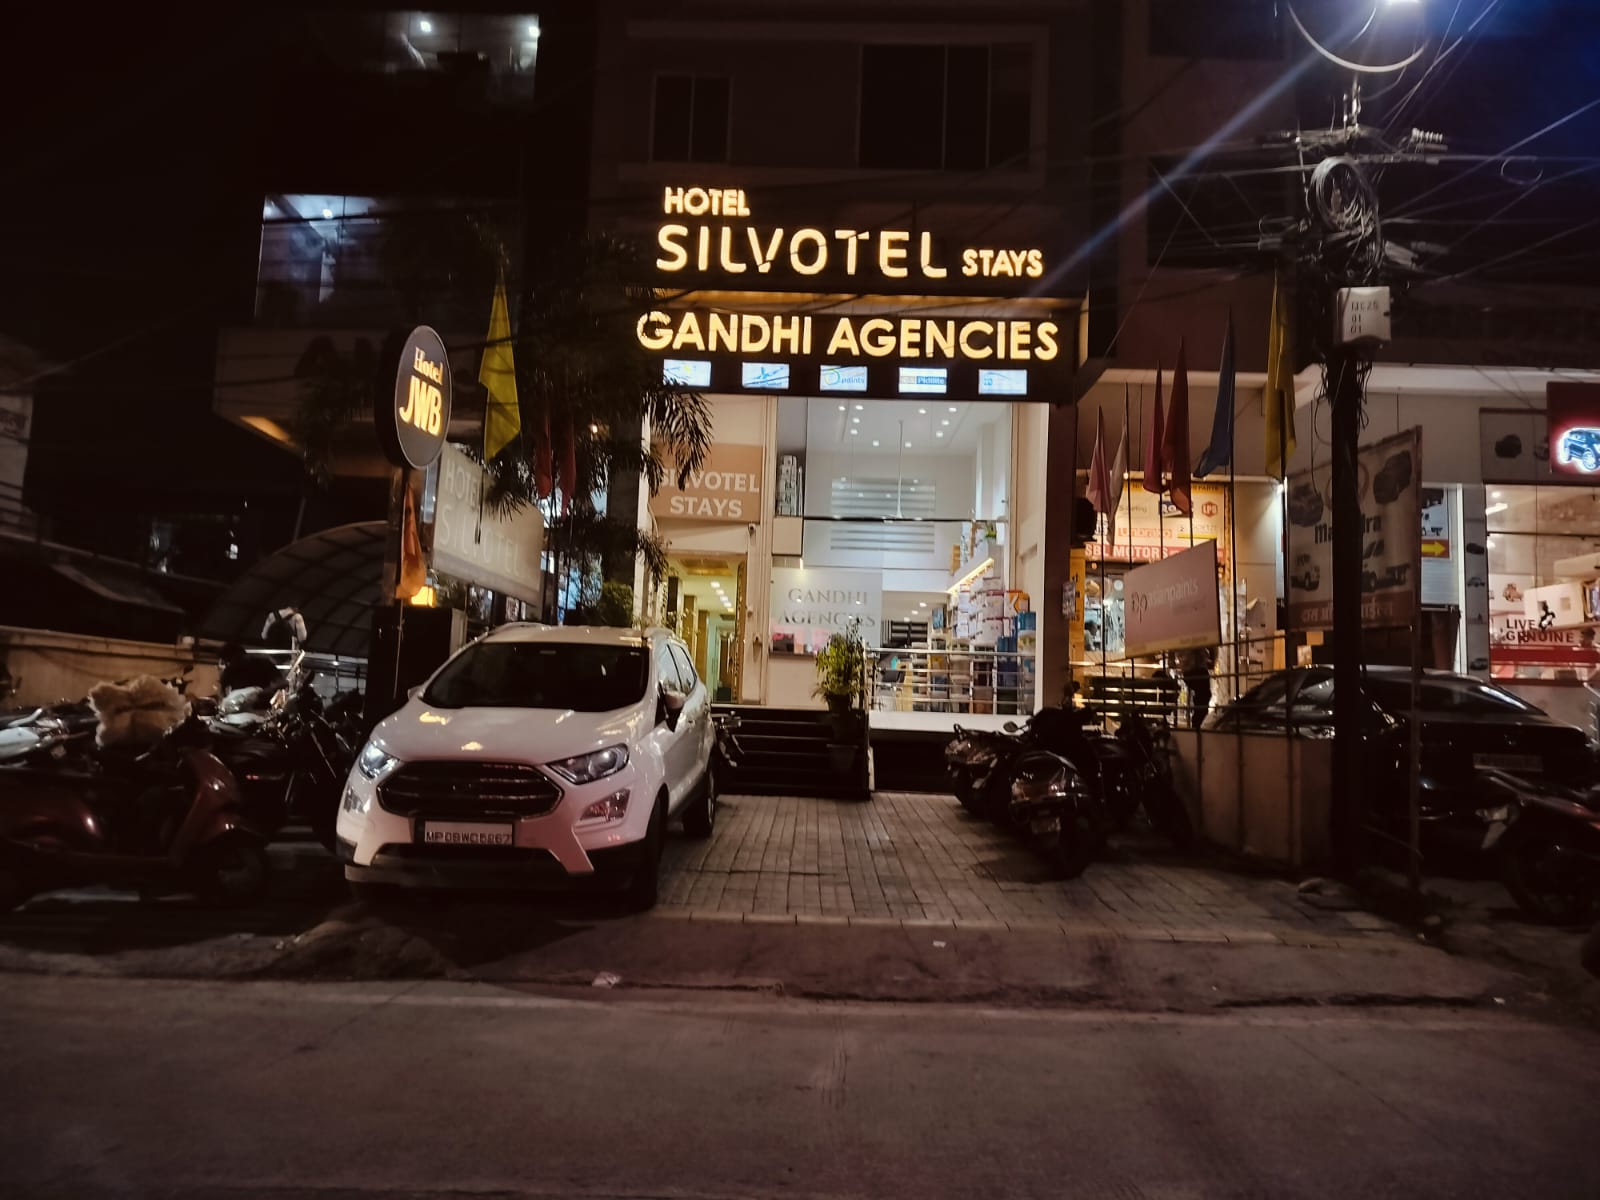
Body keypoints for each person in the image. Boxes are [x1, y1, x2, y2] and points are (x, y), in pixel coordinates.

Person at [1178, 645, 1216, 729]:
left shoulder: (1186, 647)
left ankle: (1198, 723)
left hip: (1191, 672)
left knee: (1201, 698)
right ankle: (1199, 724)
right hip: (1196, 671)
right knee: (1203, 697)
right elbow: (1205, 655)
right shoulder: (1196, 647)